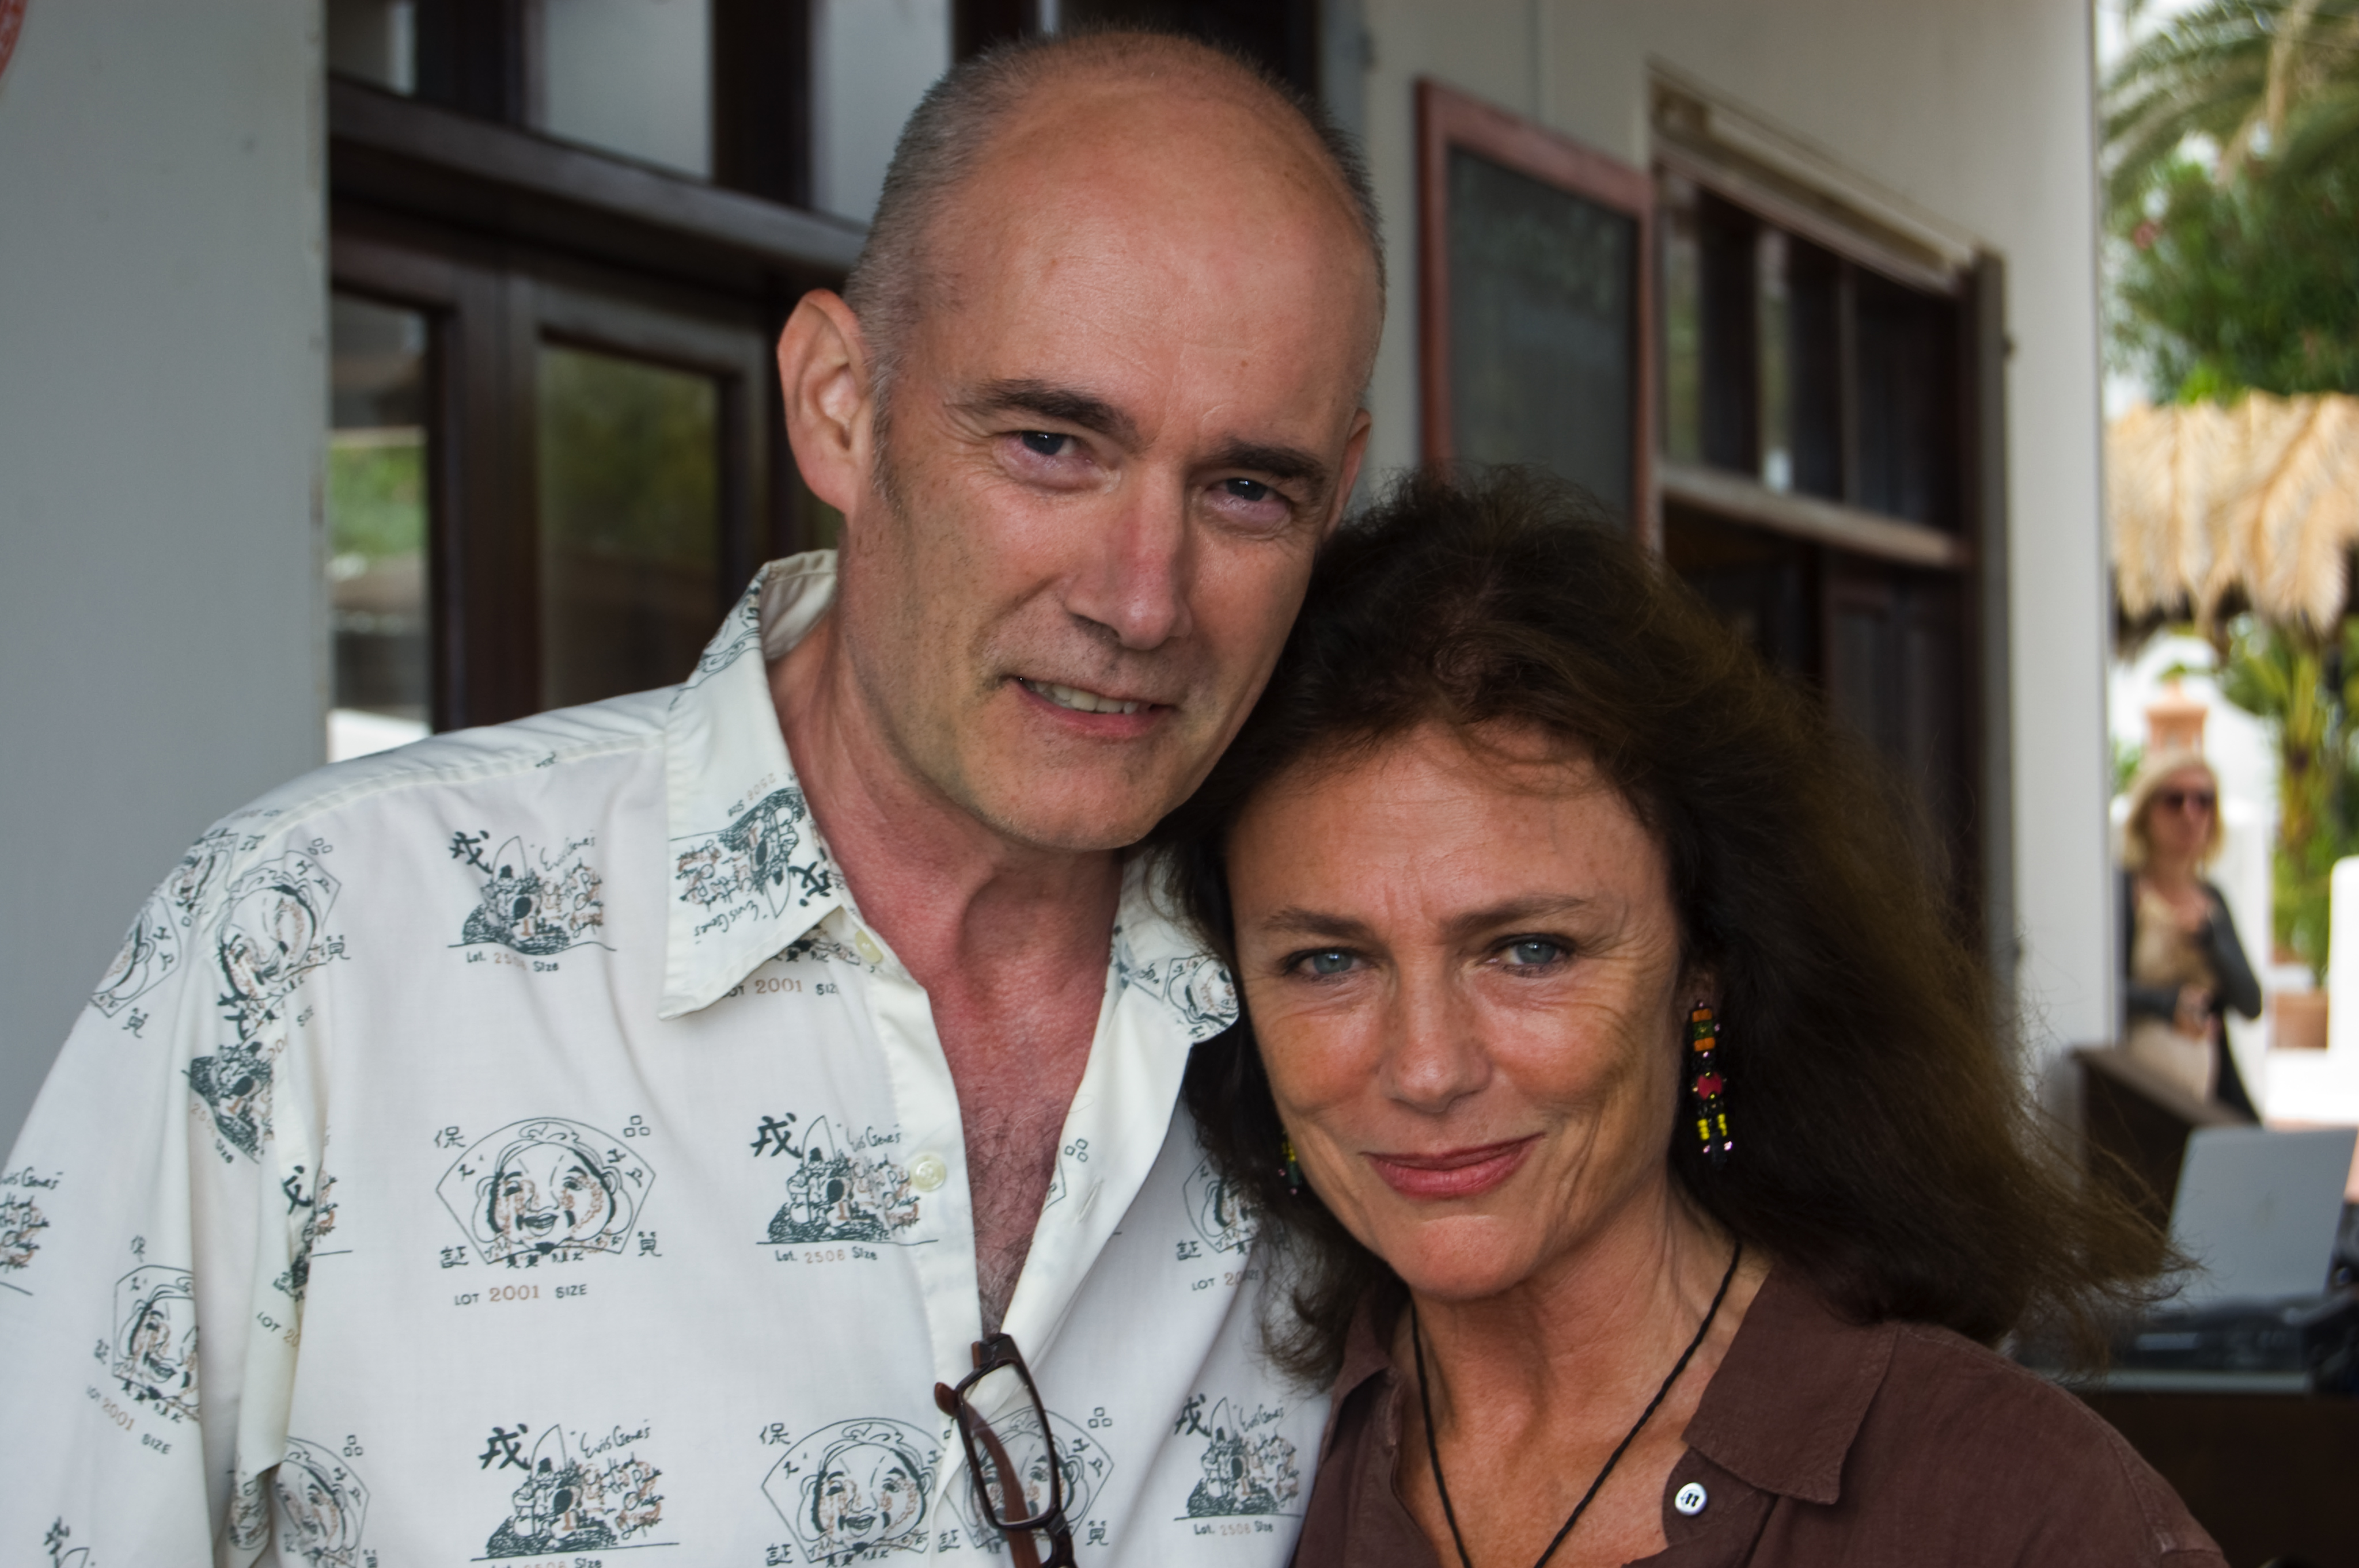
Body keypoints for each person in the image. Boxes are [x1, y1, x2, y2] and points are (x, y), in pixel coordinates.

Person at [0, 30, 1380, 1565]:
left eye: (1249, 489)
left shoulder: (1363, 1009)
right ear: (839, 405)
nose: (1141, 599)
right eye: (1051, 443)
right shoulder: (315, 947)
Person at [1158, 470, 2223, 1566]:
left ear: (1702, 965)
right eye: (1326, 960)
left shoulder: (2008, 1508)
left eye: (1530, 950)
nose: (1426, 1065)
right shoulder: (1221, 1494)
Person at [2118, 750, 2262, 1112]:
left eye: (2204, 801)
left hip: (2208, 1096)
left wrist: (2208, 939)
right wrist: (2167, 1006)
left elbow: (2251, 1002)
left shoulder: (2212, 899)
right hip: (2134, 1100)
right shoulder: (2122, 891)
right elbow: (2098, 993)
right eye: (2174, 800)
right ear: (2145, 812)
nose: (2190, 813)